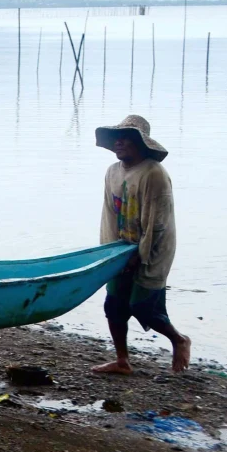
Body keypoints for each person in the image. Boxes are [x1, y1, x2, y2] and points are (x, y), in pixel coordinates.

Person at [91, 114, 190, 375]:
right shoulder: (112, 172)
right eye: (117, 138)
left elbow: (157, 224)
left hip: (153, 249)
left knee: (144, 306)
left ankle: (179, 340)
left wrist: (140, 255)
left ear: (141, 143)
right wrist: (110, 254)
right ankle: (122, 360)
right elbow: (109, 215)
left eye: (126, 138)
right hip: (122, 248)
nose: (119, 143)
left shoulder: (153, 174)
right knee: (114, 304)